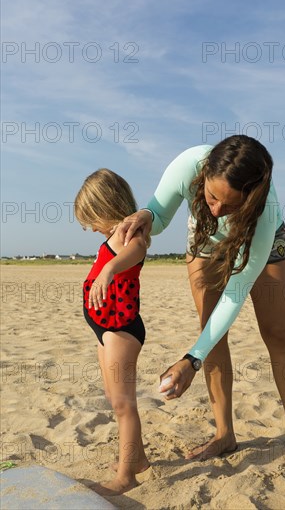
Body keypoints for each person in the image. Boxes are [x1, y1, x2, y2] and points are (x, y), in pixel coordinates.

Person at [117, 135, 285, 480]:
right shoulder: (189, 164)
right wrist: (144, 215)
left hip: (262, 244)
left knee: (276, 332)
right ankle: (224, 434)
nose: (215, 210)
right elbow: (160, 215)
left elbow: (236, 292)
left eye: (229, 206)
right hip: (205, 243)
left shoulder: (264, 212)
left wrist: (190, 360)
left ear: (250, 200)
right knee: (211, 331)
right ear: (204, 175)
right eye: (211, 197)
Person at [74, 168, 150, 496]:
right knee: (112, 398)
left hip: (121, 329)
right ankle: (140, 461)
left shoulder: (129, 232)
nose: (91, 228)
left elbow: (139, 249)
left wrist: (109, 268)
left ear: (105, 207)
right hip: (105, 330)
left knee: (123, 404)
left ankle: (125, 478)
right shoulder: (114, 234)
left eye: (91, 219)